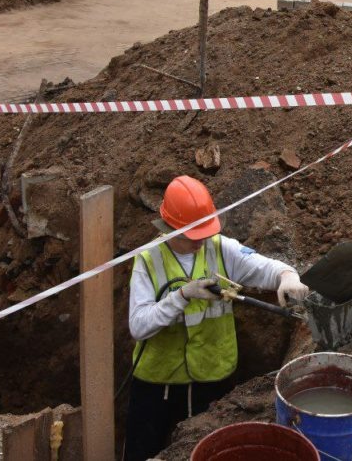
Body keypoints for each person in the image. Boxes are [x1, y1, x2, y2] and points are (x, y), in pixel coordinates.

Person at [123, 175, 310, 460]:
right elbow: (139, 326)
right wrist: (182, 296)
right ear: (172, 228)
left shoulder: (220, 247)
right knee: (143, 452)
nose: (201, 242)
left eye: (204, 232)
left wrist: (287, 276)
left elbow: (265, 267)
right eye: (192, 235)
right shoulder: (149, 260)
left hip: (210, 380)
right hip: (158, 384)